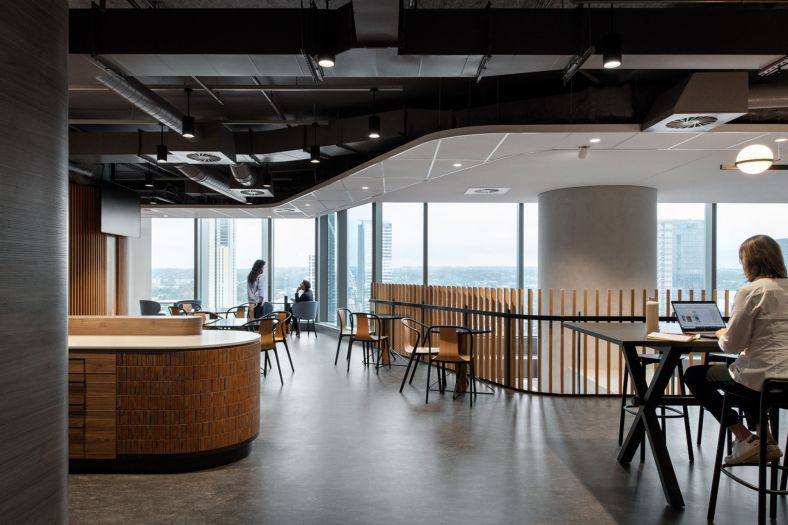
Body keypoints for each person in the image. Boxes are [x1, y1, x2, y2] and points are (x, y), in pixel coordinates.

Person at [684, 234, 788, 465]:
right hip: (784, 385)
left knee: (695, 375)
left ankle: (744, 437)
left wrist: (722, 334)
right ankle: (766, 438)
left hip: (759, 380)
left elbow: (733, 345)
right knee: (746, 374)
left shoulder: (751, 291)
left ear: (751, 262)